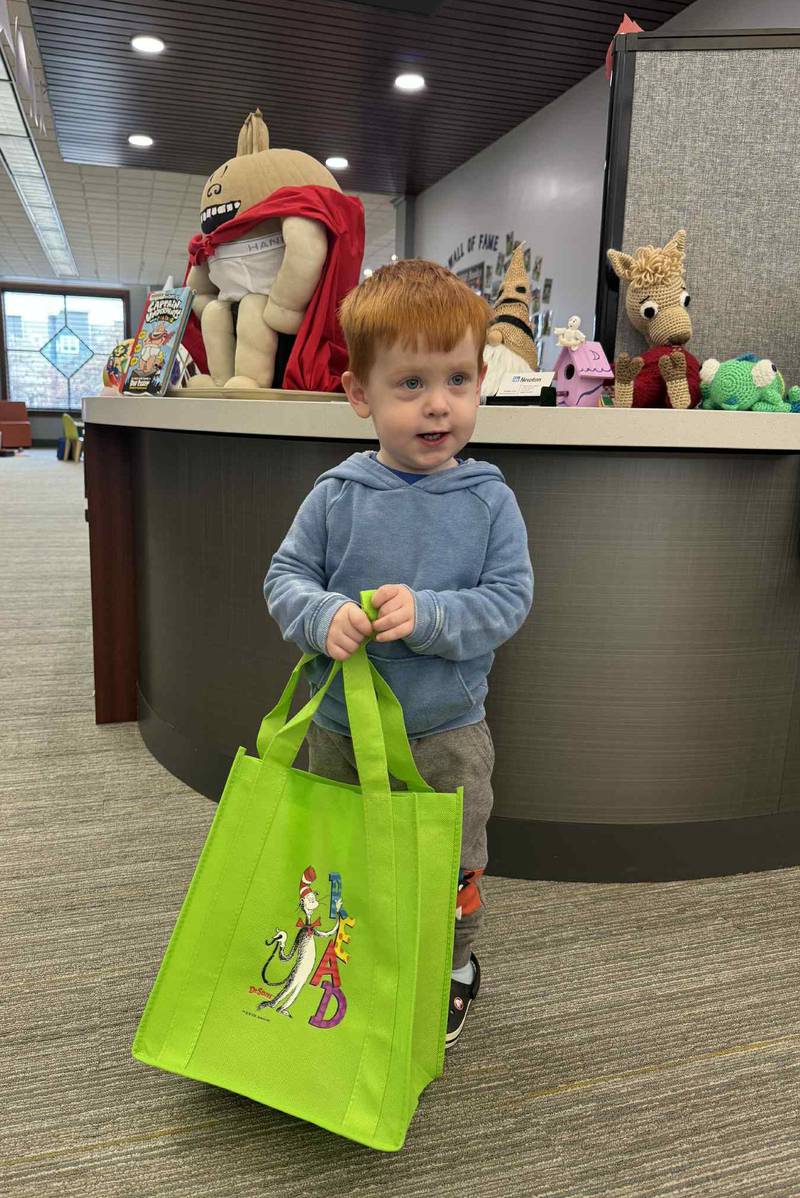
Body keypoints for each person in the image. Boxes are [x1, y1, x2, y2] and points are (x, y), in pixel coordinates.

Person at [263, 258, 534, 1046]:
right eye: (410, 384)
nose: (438, 404)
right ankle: (356, 951)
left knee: (449, 868)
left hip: (446, 734)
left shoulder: (488, 500)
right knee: (344, 854)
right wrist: (321, 618)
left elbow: (509, 602)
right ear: (360, 396)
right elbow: (285, 578)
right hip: (340, 734)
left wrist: (432, 615)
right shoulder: (337, 494)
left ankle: (454, 967)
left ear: (480, 381)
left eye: (456, 379)